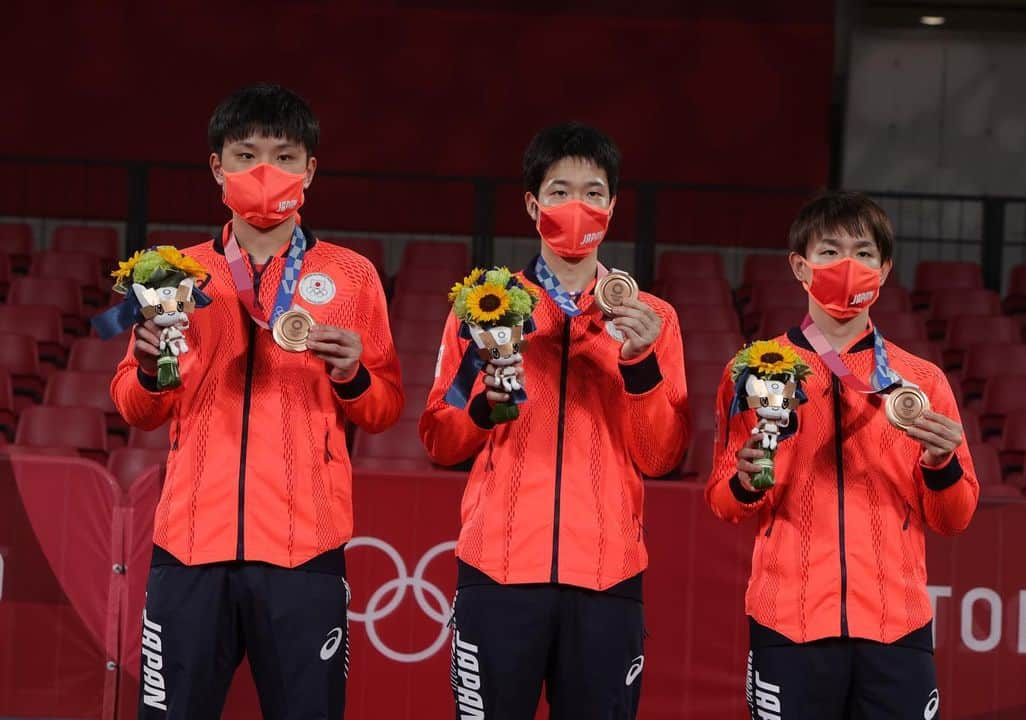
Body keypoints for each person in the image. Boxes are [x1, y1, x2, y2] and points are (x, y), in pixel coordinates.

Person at [110, 83, 404, 719]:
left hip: (305, 553)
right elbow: (136, 409)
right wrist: (147, 363)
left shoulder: (352, 276)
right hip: (190, 547)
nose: (264, 171)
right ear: (217, 167)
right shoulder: (172, 272)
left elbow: (383, 410)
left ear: (311, 170)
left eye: (285, 156)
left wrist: (353, 375)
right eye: (245, 155)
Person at [419, 122, 690, 719]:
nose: (577, 206)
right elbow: (441, 438)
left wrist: (640, 365)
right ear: (531, 204)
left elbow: (661, 455)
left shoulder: (653, 319)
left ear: (612, 207)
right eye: (560, 190)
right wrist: (486, 405)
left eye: (593, 193)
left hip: (607, 574)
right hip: (499, 569)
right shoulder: (483, 307)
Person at [707, 191, 979, 719]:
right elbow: (723, 503)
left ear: (885, 269)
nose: (847, 266)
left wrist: (941, 464)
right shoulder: (755, 371)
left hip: (896, 627)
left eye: (863, 253)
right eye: (829, 252)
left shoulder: (921, 382)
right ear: (800, 267)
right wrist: (744, 481)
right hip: (789, 622)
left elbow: (955, 518)